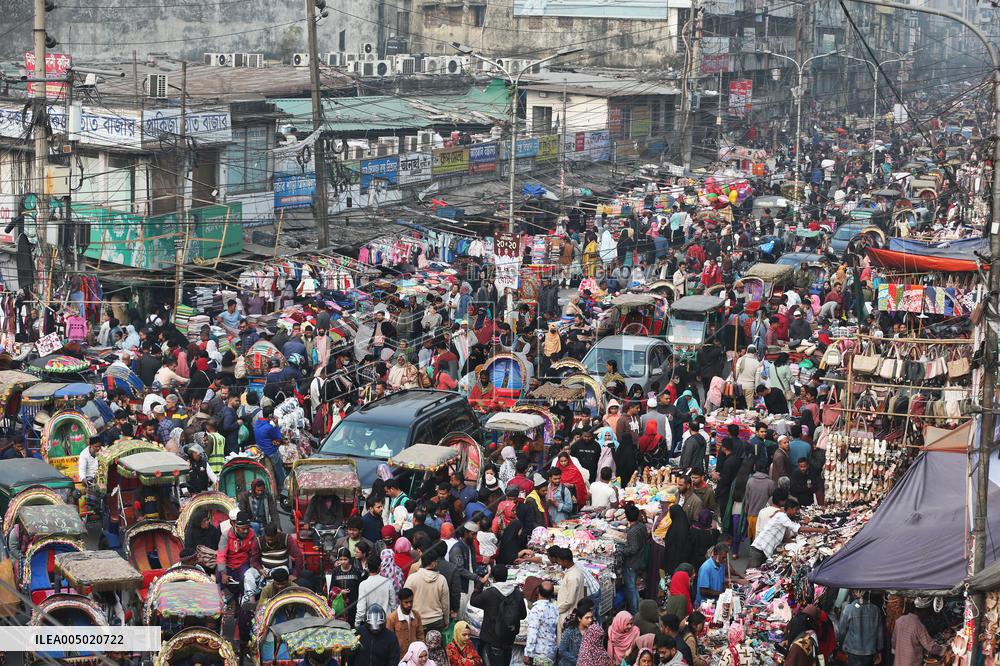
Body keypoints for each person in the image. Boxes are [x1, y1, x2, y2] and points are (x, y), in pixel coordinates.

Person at [747, 498, 827, 568]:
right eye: (795, 509)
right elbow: (798, 529)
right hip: (758, 550)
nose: (797, 512)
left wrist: (795, 542)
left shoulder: (782, 517)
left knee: (757, 574)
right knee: (750, 575)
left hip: (764, 551)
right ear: (789, 509)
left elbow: (784, 537)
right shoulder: (782, 516)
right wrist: (819, 530)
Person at [470, 564, 525, 666]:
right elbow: (523, 615)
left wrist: (480, 583)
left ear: (493, 578)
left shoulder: (489, 593)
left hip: (492, 639)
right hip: (509, 637)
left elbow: (473, 601)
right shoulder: (517, 593)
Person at [404, 553, 450, 632]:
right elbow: (445, 605)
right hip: (437, 621)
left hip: (417, 621)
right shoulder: (442, 579)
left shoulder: (412, 578)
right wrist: (446, 620)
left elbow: (404, 599)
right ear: (433, 563)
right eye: (436, 561)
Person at [837, 590, 884, 666]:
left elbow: (842, 632)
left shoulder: (849, 609)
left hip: (852, 651)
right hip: (870, 652)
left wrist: (840, 646)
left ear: (854, 593)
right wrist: (879, 650)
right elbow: (880, 633)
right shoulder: (876, 610)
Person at [620, 505, 648, 613]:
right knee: (634, 587)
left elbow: (633, 549)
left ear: (626, 517)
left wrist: (622, 551)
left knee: (631, 587)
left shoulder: (632, 532)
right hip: (640, 560)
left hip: (632, 563)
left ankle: (634, 611)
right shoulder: (641, 526)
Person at [524, 581, 559, 666]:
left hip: (539, 654)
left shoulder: (536, 610)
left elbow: (532, 634)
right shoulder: (554, 608)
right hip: (551, 651)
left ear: (538, 592)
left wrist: (528, 653)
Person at [554, 548, 587, 632]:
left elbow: (569, 601)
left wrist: (556, 610)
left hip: (567, 613)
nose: (558, 563)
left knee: (563, 640)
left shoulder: (572, 577)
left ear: (565, 561)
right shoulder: (577, 571)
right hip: (572, 611)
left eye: (559, 561)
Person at [386, 587, 424, 656]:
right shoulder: (391, 618)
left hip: (414, 655)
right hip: (399, 657)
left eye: (411, 602)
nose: (409, 605)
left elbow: (420, 635)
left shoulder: (416, 615)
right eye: (406, 602)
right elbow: (388, 641)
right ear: (400, 601)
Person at [558, 598, 595, 666]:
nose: (590, 620)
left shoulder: (592, 631)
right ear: (579, 618)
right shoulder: (570, 631)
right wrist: (578, 661)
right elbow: (562, 650)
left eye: (591, 617)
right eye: (587, 618)